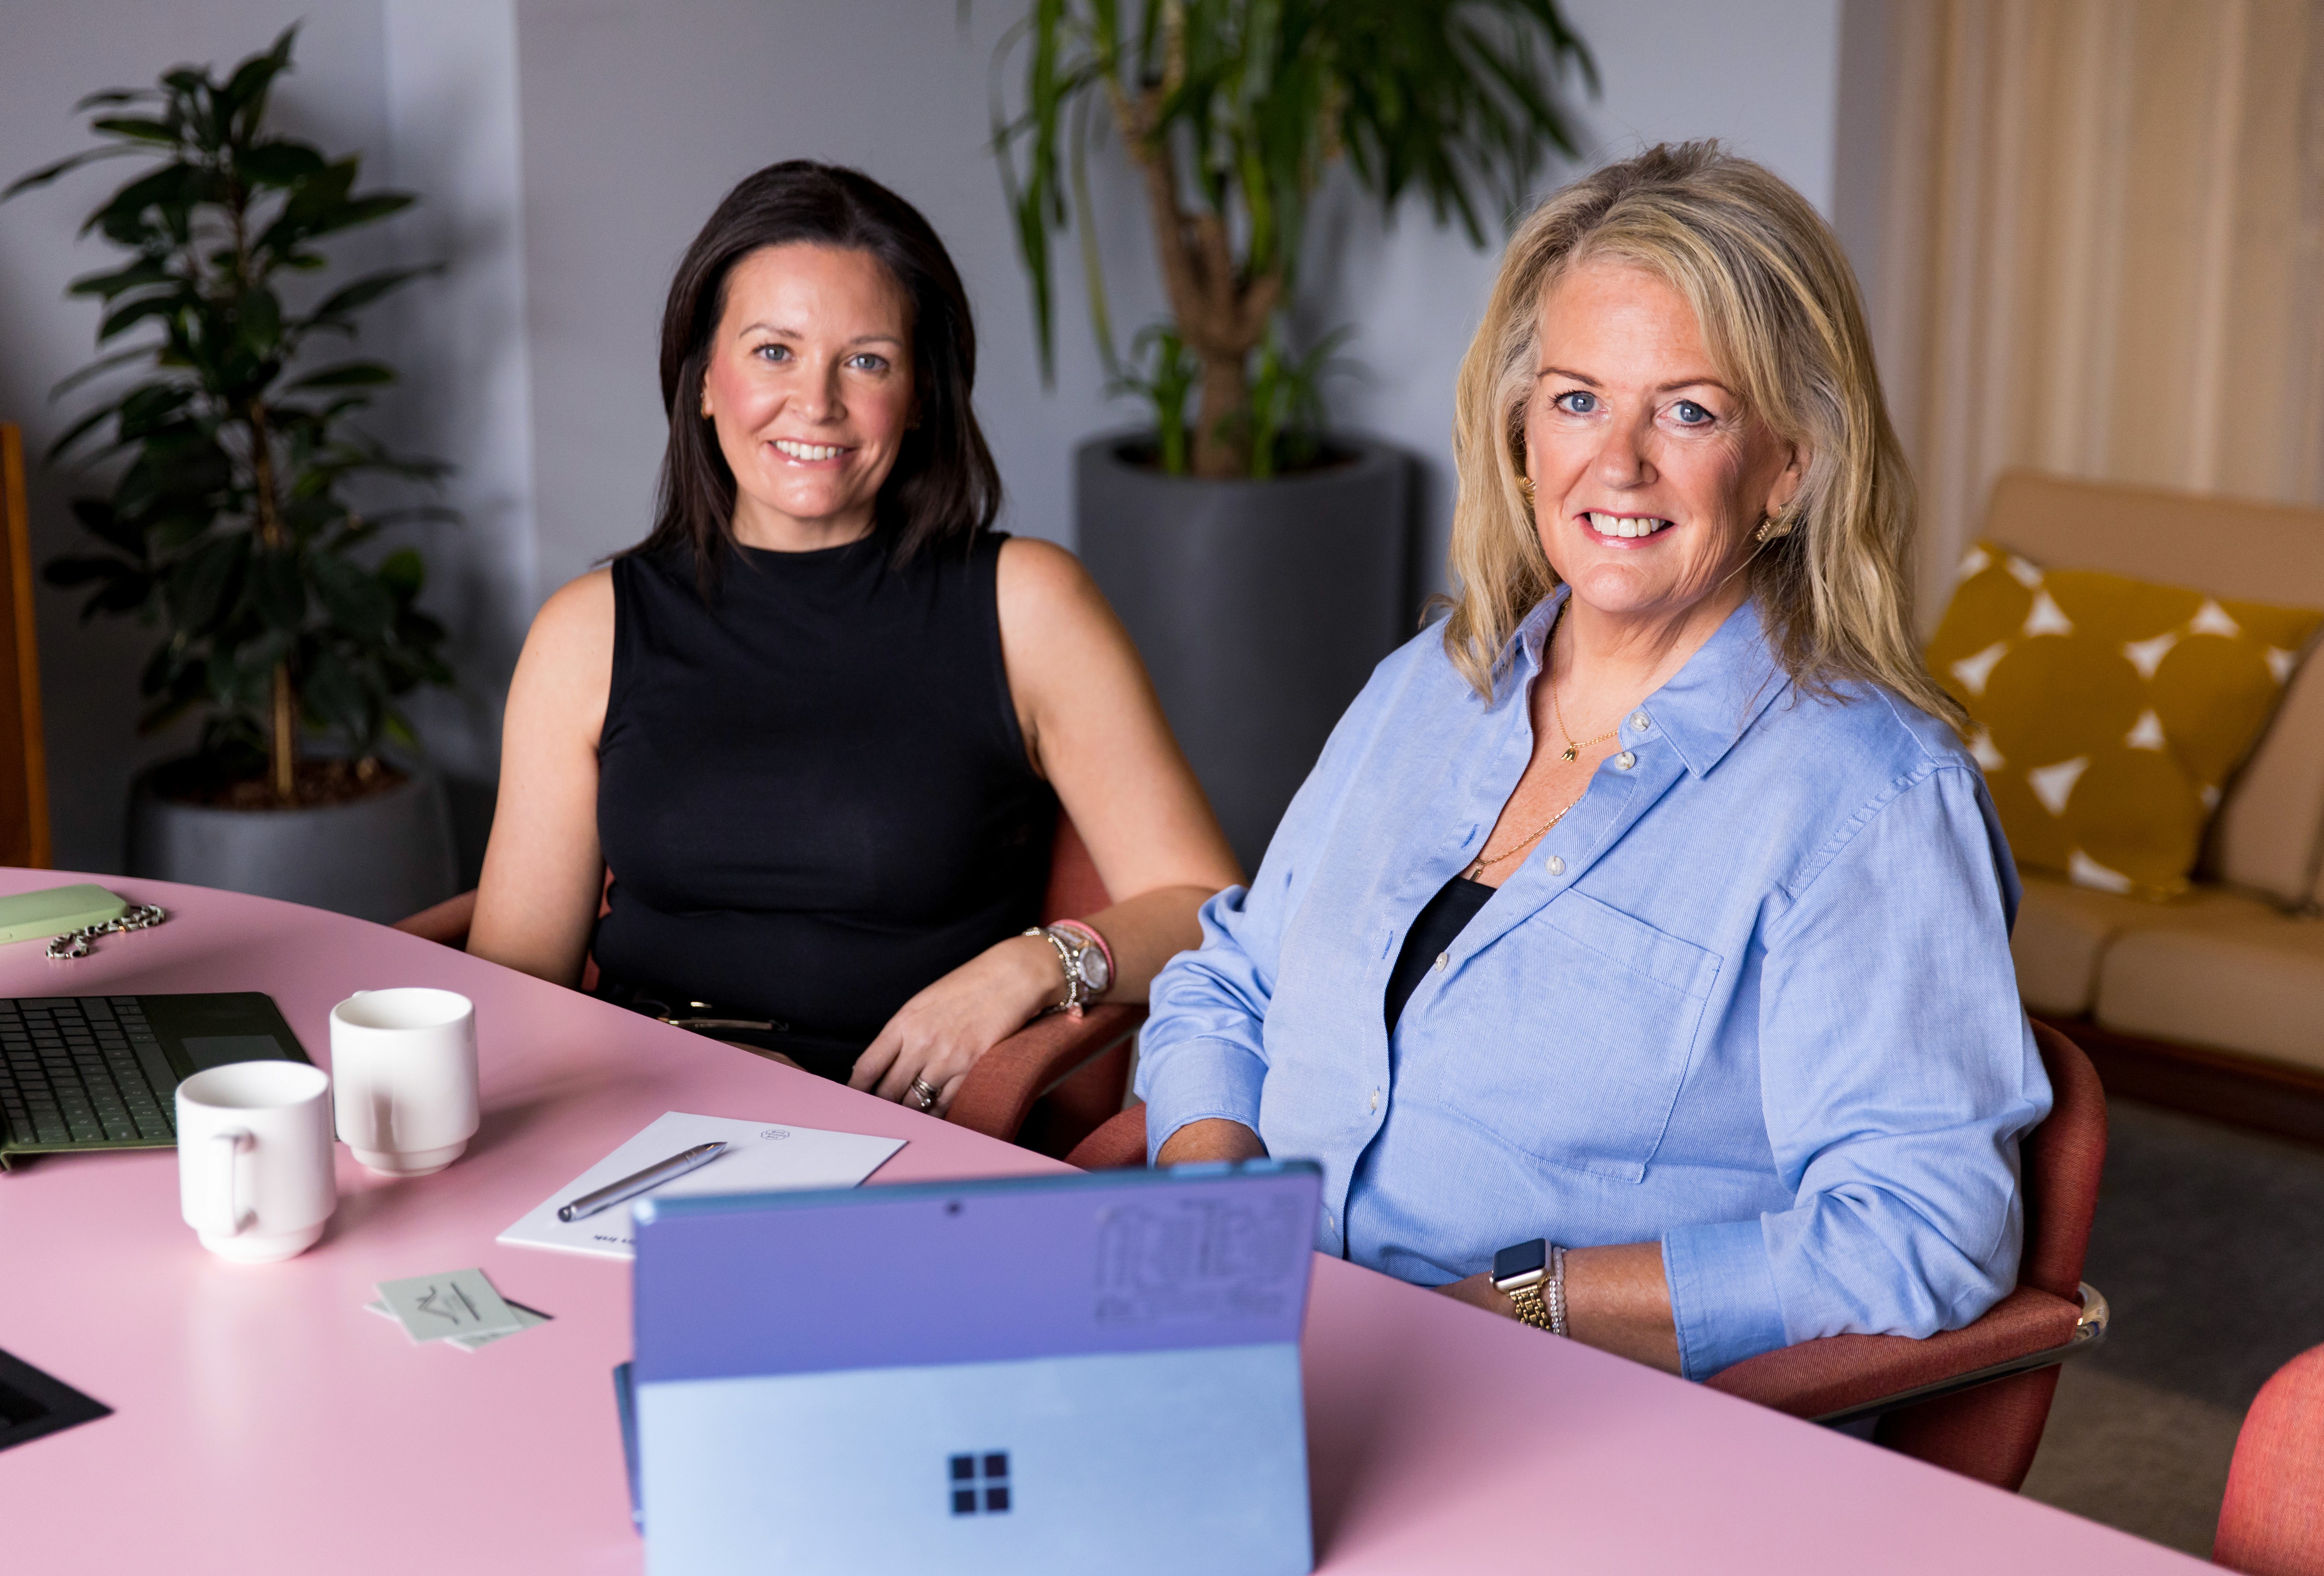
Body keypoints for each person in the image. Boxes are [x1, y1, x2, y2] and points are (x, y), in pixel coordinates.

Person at [1136, 142, 2052, 1381]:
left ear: (1789, 466)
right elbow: (1230, 985)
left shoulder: (1874, 797)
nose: (1619, 464)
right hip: (1260, 1346)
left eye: (1690, 411)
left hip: (1538, 1401)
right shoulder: (1430, 686)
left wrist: (1528, 1302)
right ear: (1521, 432)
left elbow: (1923, 1230)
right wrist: (1219, 1227)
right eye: (1577, 400)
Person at [470, 162, 1238, 1116]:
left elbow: (1206, 907)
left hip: (902, 1127)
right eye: (773, 351)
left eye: (867, 361)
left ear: (920, 395)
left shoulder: (1027, 605)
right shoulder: (587, 631)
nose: (817, 402)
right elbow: (514, 987)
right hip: (638, 1109)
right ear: (704, 380)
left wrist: (1035, 963)